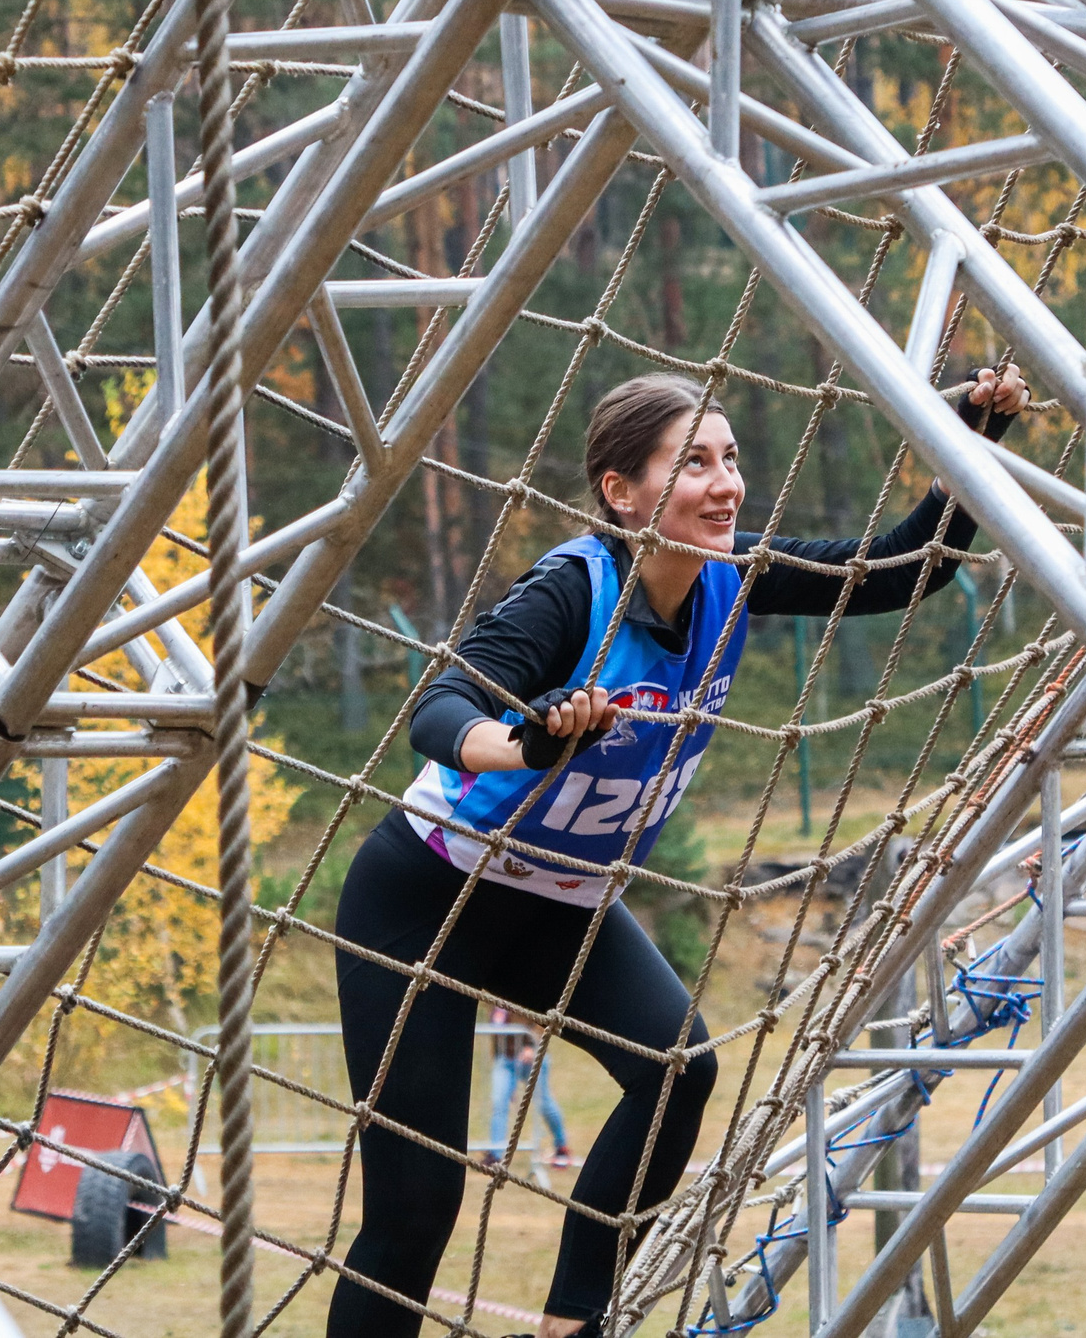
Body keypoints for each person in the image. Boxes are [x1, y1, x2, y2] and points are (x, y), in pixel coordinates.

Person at [331, 365, 1027, 1338]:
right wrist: (528, 742)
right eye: (692, 462)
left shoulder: (731, 577)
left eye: (731, 459)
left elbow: (905, 569)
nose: (725, 483)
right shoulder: (573, 593)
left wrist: (974, 437)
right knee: (416, 1205)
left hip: (562, 905)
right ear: (621, 491)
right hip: (427, 899)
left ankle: (573, 1320)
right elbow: (440, 710)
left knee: (675, 1068)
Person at [484, 1005, 573, 1169]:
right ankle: (495, 1155)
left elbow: (544, 1019)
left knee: (544, 1103)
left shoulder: (519, 993)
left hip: (532, 1057)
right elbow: (496, 1035)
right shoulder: (490, 1004)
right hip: (505, 1060)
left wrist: (532, 1046)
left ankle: (562, 1146)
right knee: (499, 1103)